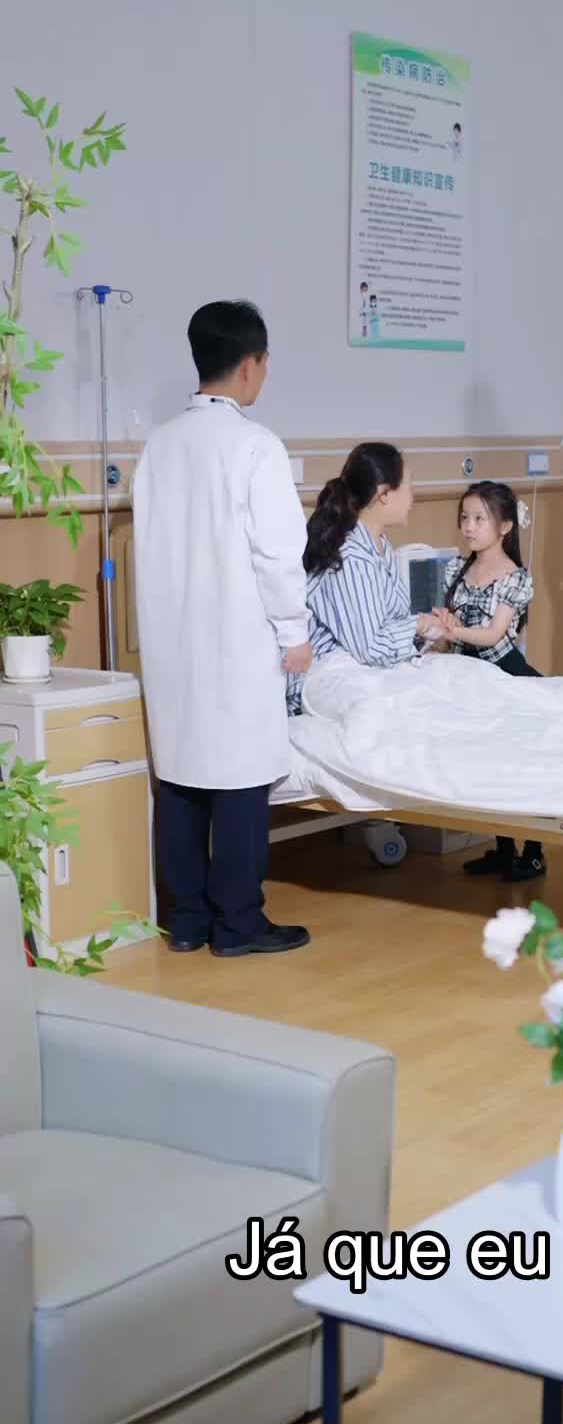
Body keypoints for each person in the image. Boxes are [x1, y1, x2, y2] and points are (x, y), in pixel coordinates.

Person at [132, 299, 313, 958]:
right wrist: (294, 632)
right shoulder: (255, 446)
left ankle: (187, 920)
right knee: (240, 779)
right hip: (236, 637)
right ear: (250, 365)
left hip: (171, 638)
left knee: (181, 775)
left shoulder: (159, 445)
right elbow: (277, 552)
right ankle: (238, 923)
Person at [435, 480, 545, 884]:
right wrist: (441, 628)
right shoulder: (456, 569)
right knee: (487, 763)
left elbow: (495, 634)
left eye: (480, 519)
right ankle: (503, 849)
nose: (469, 526)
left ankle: (534, 852)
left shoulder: (515, 577)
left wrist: (453, 629)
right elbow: (450, 630)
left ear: (505, 527)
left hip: (504, 674)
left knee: (519, 763)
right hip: (467, 676)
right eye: (465, 517)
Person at [286, 442, 444, 714]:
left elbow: (387, 625)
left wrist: (427, 629)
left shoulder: (382, 548)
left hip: (360, 666)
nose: (413, 496)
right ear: (384, 494)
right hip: (328, 672)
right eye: (409, 486)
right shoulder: (350, 557)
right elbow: (369, 648)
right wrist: (417, 625)